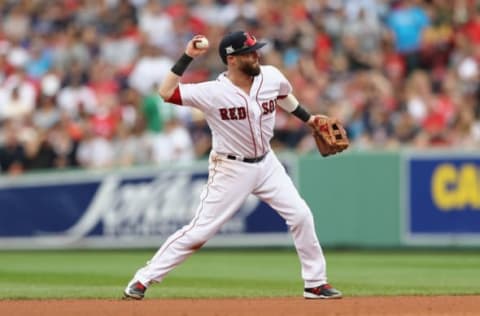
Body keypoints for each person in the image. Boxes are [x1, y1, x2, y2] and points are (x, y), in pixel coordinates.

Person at [123, 31, 342, 300]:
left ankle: (315, 283)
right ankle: (143, 279)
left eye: (255, 50)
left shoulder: (270, 76)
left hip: (267, 163)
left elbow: (284, 95)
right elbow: (166, 92)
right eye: (249, 52)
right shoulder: (213, 92)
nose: (256, 55)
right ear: (232, 59)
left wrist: (308, 120)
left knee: (301, 215)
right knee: (199, 232)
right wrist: (188, 55)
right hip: (230, 168)